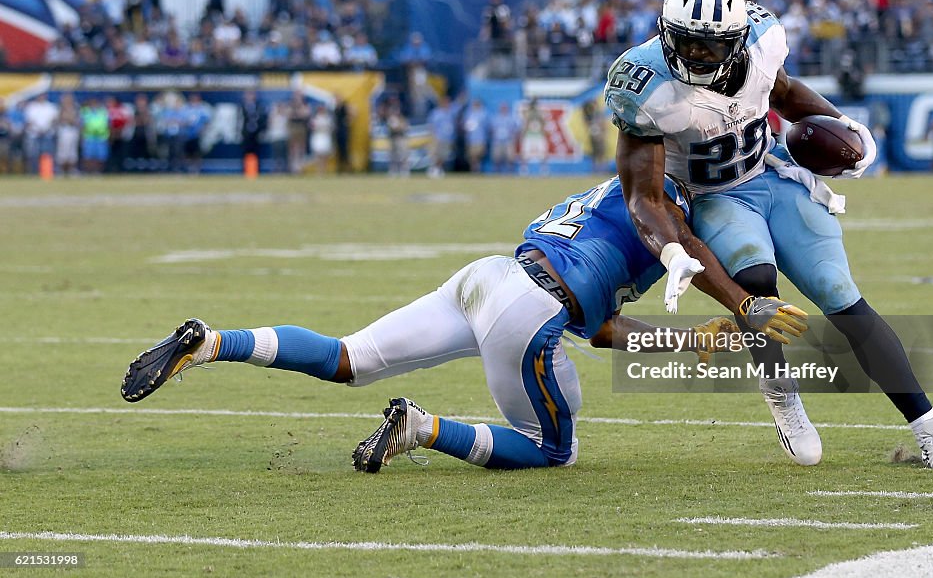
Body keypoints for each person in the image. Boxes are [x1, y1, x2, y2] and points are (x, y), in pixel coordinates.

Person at [121, 176, 808, 472]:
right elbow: (594, 315)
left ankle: (213, 343)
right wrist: (737, 305)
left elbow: (599, 325)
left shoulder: (609, 192)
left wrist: (689, 343)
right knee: (550, 450)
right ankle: (421, 428)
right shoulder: (667, 218)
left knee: (348, 358)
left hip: (488, 277)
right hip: (528, 310)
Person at [606, 0, 933, 471]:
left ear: (737, 39)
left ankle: (931, 426)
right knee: (757, 281)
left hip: (771, 178)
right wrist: (672, 251)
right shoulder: (644, 85)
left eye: (709, 46)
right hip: (714, 197)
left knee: (841, 297)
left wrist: (845, 127)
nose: (695, 56)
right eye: (687, 42)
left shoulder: (761, 42)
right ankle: (781, 390)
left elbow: (782, 93)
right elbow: (643, 196)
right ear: (665, 30)